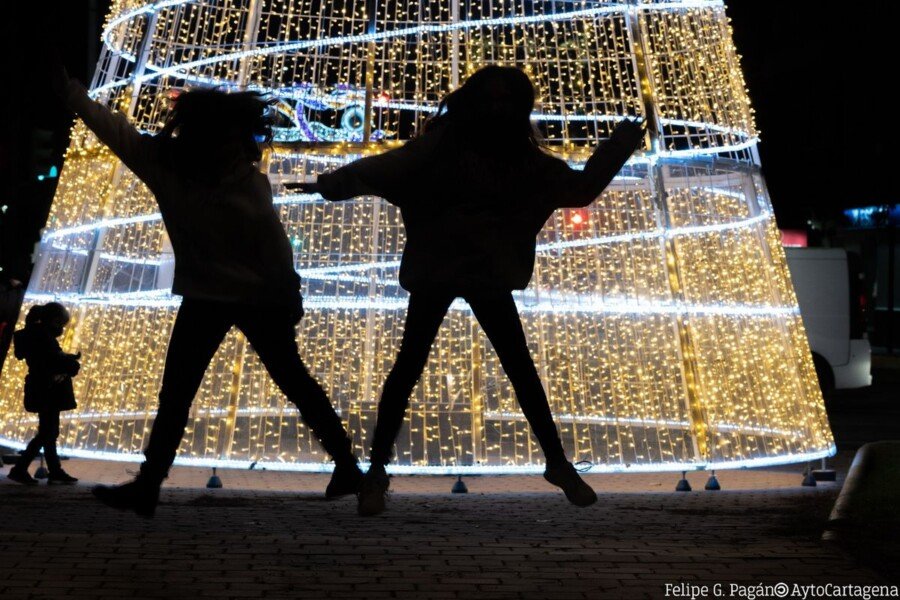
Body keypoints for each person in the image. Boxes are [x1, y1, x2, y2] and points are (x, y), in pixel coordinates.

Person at [297, 65, 645, 516]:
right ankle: (379, 469)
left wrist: (616, 148)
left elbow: (577, 189)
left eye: (506, 100)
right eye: (491, 98)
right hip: (449, 267)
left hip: (478, 269)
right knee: (413, 367)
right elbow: (391, 166)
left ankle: (554, 462)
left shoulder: (513, 155)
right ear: (475, 100)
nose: (497, 108)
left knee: (509, 367)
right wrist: (333, 184)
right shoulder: (454, 145)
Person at [51, 64, 362, 517]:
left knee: (259, 385)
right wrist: (74, 94)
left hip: (246, 299)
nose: (240, 148)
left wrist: (288, 294)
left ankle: (346, 464)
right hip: (225, 297)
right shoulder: (179, 168)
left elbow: (274, 248)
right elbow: (115, 130)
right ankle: (149, 485)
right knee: (195, 390)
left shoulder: (212, 175)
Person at [7, 303, 80, 485]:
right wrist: (72, 365)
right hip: (47, 388)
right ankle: (20, 469)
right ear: (54, 320)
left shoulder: (36, 335)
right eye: (61, 324)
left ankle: (54, 470)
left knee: (49, 431)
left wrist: (66, 359)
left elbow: (49, 357)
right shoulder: (43, 337)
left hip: (41, 387)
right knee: (48, 432)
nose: (62, 328)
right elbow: (52, 359)